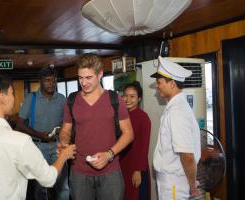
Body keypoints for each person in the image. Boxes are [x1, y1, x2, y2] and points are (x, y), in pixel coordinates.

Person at [0, 71, 76, 200]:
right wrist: (64, 155)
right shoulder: (19, 142)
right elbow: (48, 179)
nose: (13, 98)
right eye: (12, 93)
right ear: (3, 97)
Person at [58, 53, 134, 200]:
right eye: (80, 78)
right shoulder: (71, 100)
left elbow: (129, 134)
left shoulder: (115, 100)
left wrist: (109, 155)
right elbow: (66, 130)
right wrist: (63, 142)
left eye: (88, 78)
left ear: (100, 74)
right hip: (79, 173)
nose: (84, 83)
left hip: (110, 172)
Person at [150, 57, 201, 200]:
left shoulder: (177, 111)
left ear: (172, 84)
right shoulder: (176, 108)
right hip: (172, 181)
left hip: (174, 183)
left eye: (159, 82)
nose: (157, 86)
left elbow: (187, 156)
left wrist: (192, 185)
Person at [16, 67, 69, 200]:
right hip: (38, 147)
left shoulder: (62, 99)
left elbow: (67, 123)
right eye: (47, 80)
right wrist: (39, 135)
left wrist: (61, 129)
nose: (51, 83)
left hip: (58, 146)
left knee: (63, 186)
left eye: (53, 80)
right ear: (41, 82)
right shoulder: (31, 98)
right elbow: (20, 124)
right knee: (41, 188)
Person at [120, 81, 151, 200]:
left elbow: (144, 147)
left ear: (139, 99)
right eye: (125, 96)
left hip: (137, 166)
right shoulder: (121, 117)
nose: (127, 99)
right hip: (123, 164)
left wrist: (138, 170)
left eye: (132, 96)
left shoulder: (143, 118)